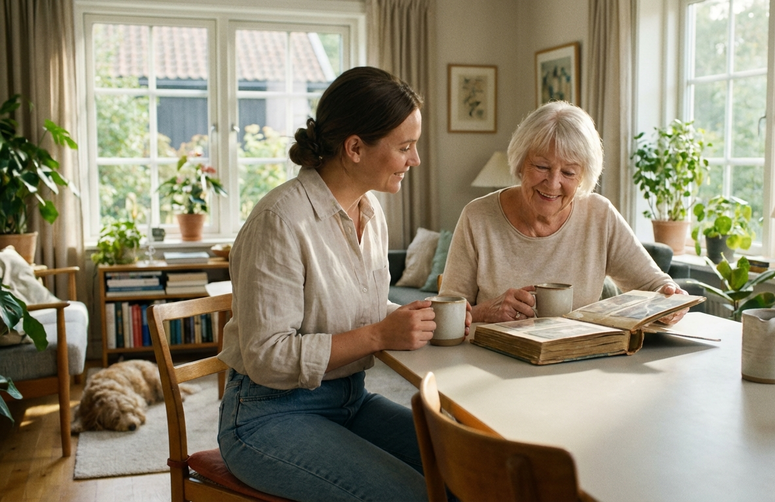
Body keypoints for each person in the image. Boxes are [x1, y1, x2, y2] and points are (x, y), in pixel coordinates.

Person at [218, 66, 458, 501]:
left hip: (351, 399)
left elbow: (365, 311)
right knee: (413, 496)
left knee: (469, 475)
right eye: (405, 147)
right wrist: (379, 335)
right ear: (354, 148)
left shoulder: (370, 213)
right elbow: (266, 356)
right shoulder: (280, 220)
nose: (415, 160)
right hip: (266, 417)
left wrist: (462, 315)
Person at [439, 101, 689, 324]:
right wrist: (483, 313)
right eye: (541, 166)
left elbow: (654, 285)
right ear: (520, 163)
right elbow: (444, 316)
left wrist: (671, 300)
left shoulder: (599, 215)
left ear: (583, 176)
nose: (552, 183)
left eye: (568, 172)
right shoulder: (478, 217)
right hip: (490, 367)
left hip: (578, 364)